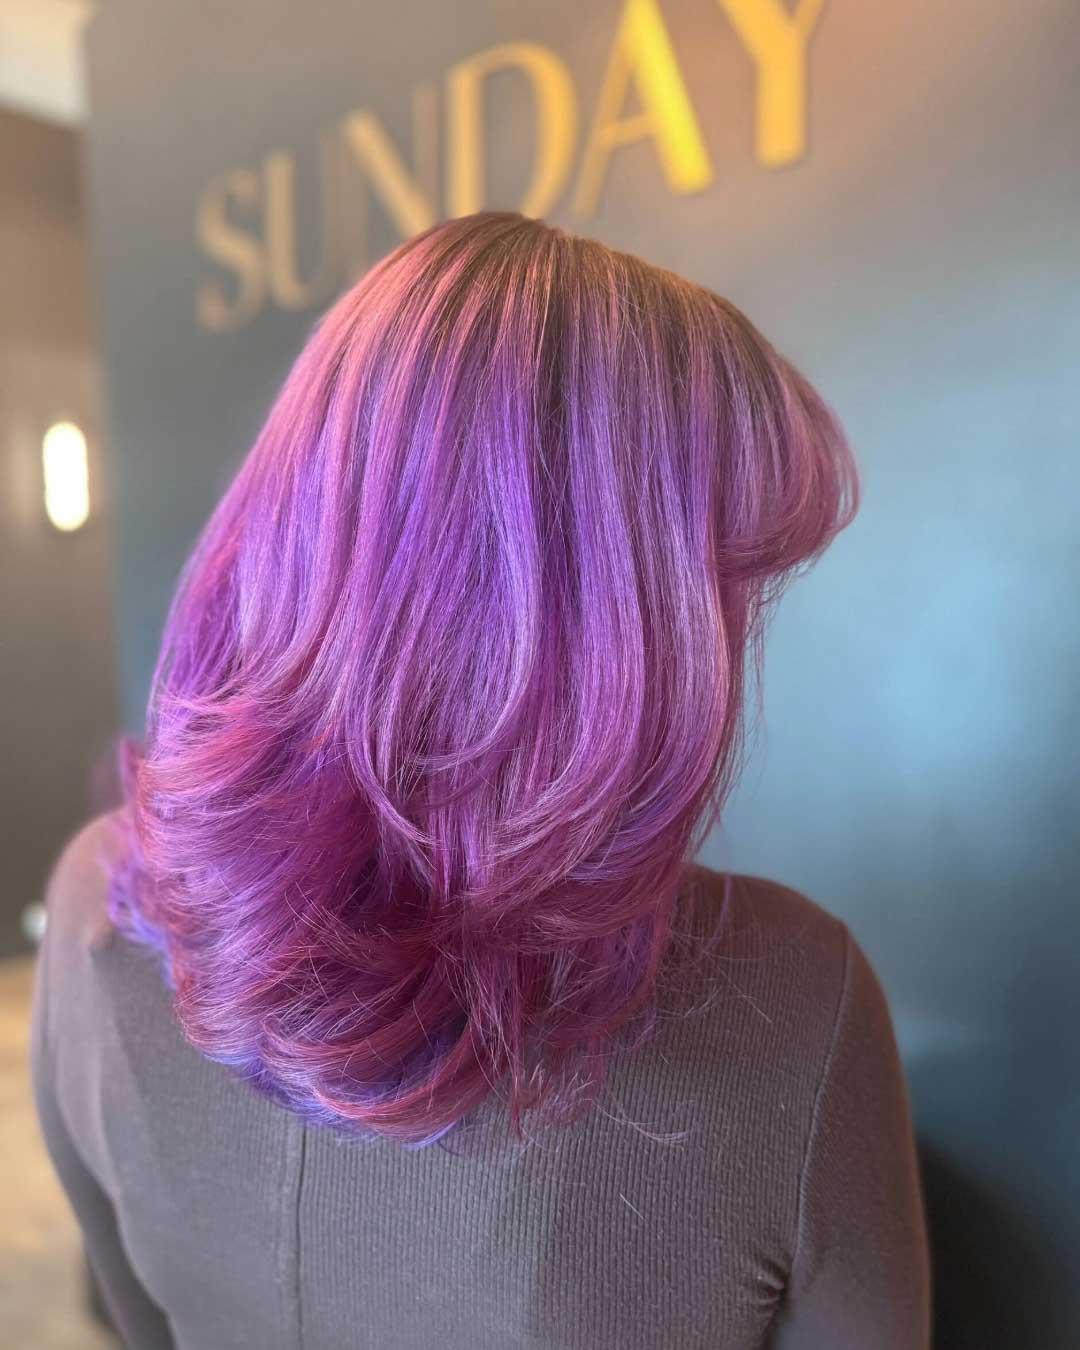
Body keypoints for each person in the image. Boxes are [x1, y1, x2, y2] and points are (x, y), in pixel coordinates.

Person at [31, 211, 930, 1349]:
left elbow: (132, 1315)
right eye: (716, 575)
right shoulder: (793, 1006)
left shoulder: (92, 903)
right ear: (625, 626)